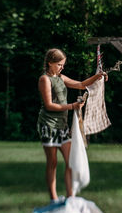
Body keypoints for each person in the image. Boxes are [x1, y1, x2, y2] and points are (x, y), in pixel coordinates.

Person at [37, 48, 108, 203]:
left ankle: (71, 197)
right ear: (50, 63)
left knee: (71, 160)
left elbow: (81, 85)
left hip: (62, 126)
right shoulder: (44, 79)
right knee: (53, 162)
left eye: (63, 65)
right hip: (48, 125)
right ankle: (53, 198)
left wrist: (98, 76)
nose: (62, 67)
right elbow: (49, 105)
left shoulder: (60, 77)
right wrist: (72, 106)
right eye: (59, 64)